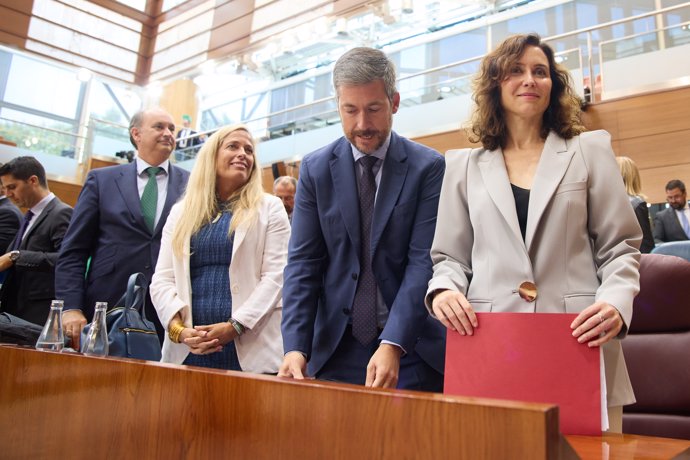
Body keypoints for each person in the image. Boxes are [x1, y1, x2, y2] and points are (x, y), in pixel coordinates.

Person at [425, 33, 641, 431]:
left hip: (580, 340)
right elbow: (449, 258)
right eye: (516, 71)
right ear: (495, 84)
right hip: (491, 348)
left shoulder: (589, 150)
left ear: (552, 86)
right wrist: (444, 290)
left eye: (540, 72)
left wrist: (615, 302)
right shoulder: (463, 167)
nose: (530, 80)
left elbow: (621, 248)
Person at [279, 47, 446, 391]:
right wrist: (296, 346)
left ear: (394, 102)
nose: (362, 125)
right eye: (350, 110)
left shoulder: (428, 167)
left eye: (374, 109)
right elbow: (303, 264)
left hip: (409, 347)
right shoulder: (315, 169)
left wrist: (393, 343)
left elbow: (422, 263)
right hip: (336, 349)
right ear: (337, 106)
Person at [150, 124, 289, 372]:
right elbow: (162, 278)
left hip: (250, 348)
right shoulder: (180, 212)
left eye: (249, 149)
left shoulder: (271, 207)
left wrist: (236, 325)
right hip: (189, 348)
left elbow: (277, 277)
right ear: (211, 156)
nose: (243, 154)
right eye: (233, 146)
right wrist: (178, 329)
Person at [56, 107, 190, 348]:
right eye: (159, 127)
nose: (168, 133)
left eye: (172, 128)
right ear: (136, 134)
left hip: (171, 310)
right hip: (106, 305)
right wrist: (71, 306)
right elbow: (74, 250)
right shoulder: (102, 180)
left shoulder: (192, 185)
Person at [0, 156, 72, 325]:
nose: (8, 194)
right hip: (16, 307)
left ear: (33, 180)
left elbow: (66, 260)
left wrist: (17, 256)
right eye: (5, 188)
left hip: (38, 312)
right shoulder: (30, 215)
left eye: (12, 187)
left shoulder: (61, 213)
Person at [616, 156, 654, 253]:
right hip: (634, 260)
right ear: (634, 176)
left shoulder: (603, 204)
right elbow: (646, 243)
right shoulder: (636, 203)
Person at [653, 179, 690, 244]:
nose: (673, 201)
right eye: (670, 197)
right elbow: (657, 240)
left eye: (677, 196)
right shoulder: (662, 217)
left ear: (685, 194)